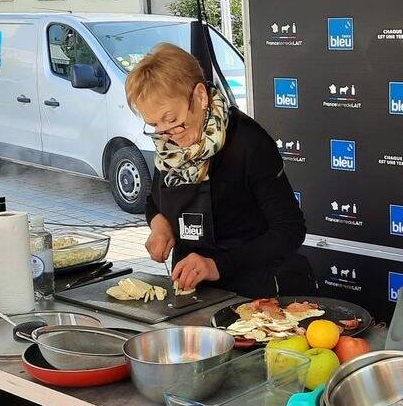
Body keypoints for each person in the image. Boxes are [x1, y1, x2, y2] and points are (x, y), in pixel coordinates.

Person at [127, 43, 314, 298]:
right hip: (194, 295)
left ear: (201, 96)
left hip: (255, 295)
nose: (166, 134)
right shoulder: (170, 147)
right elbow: (155, 202)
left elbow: (290, 229)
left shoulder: (248, 143)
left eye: (172, 120)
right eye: (154, 125)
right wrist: (159, 225)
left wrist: (218, 265)